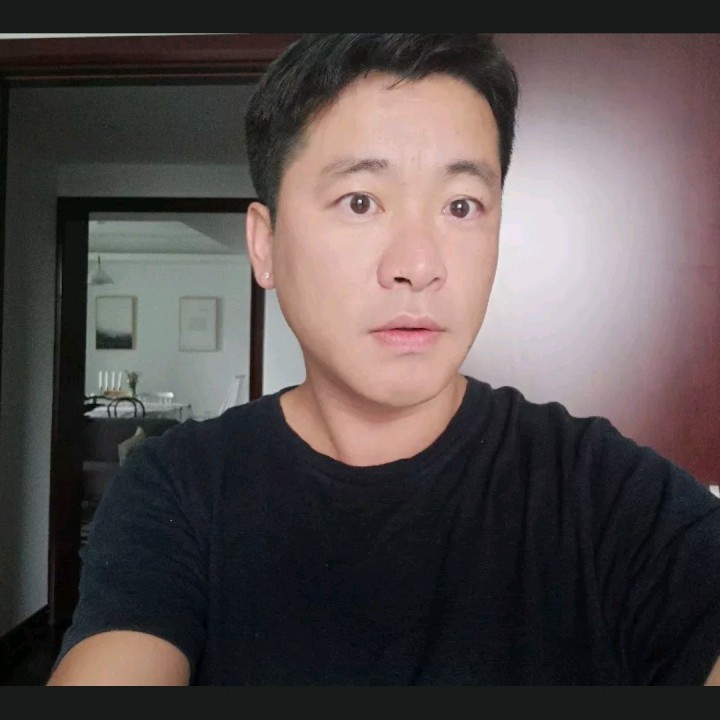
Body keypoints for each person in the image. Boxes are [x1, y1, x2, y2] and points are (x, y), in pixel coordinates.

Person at [47, 33, 720, 686]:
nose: (419, 266)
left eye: (462, 206)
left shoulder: (603, 492)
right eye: (361, 201)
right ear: (265, 246)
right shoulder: (177, 489)